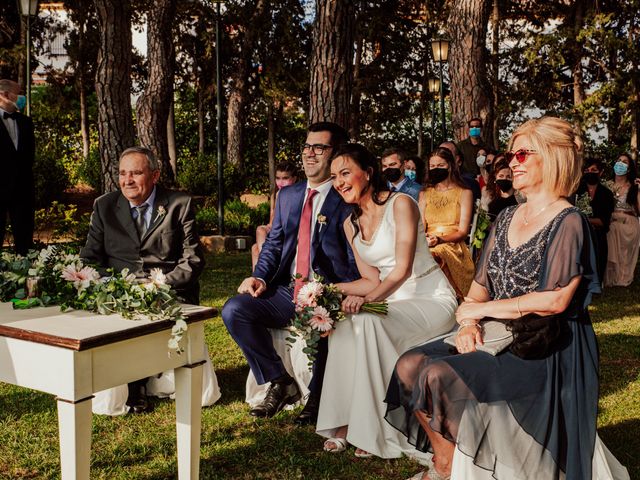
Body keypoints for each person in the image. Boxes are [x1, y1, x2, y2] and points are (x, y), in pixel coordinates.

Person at [385, 117, 629, 480]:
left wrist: (479, 311)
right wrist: (468, 322)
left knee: (437, 373)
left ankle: (454, 468)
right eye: (512, 154)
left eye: (521, 153)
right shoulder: (508, 216)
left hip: (546, 345)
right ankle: (446, 462)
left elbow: (555, 301)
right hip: (497, 331)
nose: (512, 162)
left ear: (551, 158)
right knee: (408, 363)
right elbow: (480, 284)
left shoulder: (569, 221)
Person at [317, 143, 456, 459]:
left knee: (366, 318)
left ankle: (376, 429)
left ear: (367, 173)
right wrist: (328, 291)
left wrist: (365, 304)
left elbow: (403, 270)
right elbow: (371, 281)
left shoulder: (401, 204)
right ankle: (343, 423)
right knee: (342, 323)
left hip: (430, 299)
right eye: (334, 176)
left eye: (345, 173)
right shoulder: (349, 224)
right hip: (392, 301)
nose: (338, 182)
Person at [222, 122, 359, 424]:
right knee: (235, 310)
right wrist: (259, 276)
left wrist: (336, 292)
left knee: (326, 323)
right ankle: (280, 381)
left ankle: (319, 397)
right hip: (288, 291)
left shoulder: (346, 197)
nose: (310, 153)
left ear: (335, 153)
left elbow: (353, 256)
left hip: (329, 289)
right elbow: (272, 245)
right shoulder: (288, 196)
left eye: (319, 148)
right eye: (307, 147)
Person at [81, 146, 219, 414]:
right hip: (119, 290)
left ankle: (141, 382)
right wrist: (119, 286)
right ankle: (132, 385)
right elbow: (89, 260)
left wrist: (160, 284)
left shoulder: (179, 203)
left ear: (154, 175)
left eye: (135, 173)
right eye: (122, 173)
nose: (127, 180)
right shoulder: (105, 206)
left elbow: (193, 260)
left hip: (169, 289)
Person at [419, 148, 475, 299]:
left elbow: (463, 232)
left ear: (450, 166)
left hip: (453, 244)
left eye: (440, 165)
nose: (436, 169)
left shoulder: (464, 193)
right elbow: (421, 226)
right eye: (433, 166)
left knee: (435, 254)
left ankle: (447, 297)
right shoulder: (425, 193)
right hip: (428, 241)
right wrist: (425, 239)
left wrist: (440, 239)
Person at [0, 79, 35, 255]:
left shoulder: (26, 122)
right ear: (5, 95)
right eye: (19, 93)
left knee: (24, 240)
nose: (22, 97)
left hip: (22, 191)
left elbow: (29, 158)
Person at [251, 161, 298, 270]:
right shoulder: (277, 194)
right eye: (278, 178)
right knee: (254, 248)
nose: (281, 182)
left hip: (288, 232)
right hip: (276, 229)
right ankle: (257, 278)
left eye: (285, 178)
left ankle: (266, 265)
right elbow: (272, 219)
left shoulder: (296, 194)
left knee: (260, 230)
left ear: (294, 178)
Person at [575, 158, 615, 283]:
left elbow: (604, 221)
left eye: (594, 170)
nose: (590, 172)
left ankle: (596, 283)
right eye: (587, 170)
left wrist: (584, 219)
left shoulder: (606, 194)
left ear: (601, 172)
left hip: (598, 235)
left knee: (598, 258)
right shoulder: (576, 190)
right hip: (579, 234)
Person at [604, 153, 640, 286]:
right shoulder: (606, 185)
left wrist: (639, 190)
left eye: (625, 162)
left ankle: (622, 277)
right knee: (612, 229)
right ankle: (610, 276)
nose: (620, 163)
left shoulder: (633, 186)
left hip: (629, 223)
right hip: (611, 222)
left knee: (615, 230)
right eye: (619, 160)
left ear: (629, 168)